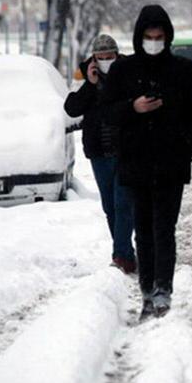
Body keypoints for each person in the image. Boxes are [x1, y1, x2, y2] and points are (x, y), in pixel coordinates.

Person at [102, 5, 192, 319]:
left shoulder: (183, 70)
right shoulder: (123, 71)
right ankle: (147, 290)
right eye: (148, 37)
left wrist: (188, 145)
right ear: (138, 37)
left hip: (170, 163)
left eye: (158, 37)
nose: (153, 42)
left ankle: (163, 289)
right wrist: (133, 107)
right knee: (143, 230)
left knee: (165, 228)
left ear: (167, 37)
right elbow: (107, 112)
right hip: (135, 162)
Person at [63, 34, 136, 274]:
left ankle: (121, 256)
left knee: (123, 202)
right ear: (94, 58)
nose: (105, 61)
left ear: (117, 55)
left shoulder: (129, 71)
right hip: (99, 151)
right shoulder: (84, 75)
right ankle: (125, 252)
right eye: (101, 58)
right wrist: (90, 84)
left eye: (110, 57)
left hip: (127, 149)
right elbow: (72, 107)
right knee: (110, 206)